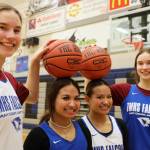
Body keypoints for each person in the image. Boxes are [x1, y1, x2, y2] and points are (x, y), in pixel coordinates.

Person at [0, 3, 48, 150]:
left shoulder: (8, 79)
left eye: (17, 30)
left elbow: (31, 96)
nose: (11, 35)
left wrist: (34, 62)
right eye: (2, 27)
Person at [24, 78, 92, 150]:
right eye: (66, 98)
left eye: (76, 98)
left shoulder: (84, 130)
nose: (72, 104)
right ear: (53, 101)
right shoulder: (37, 136)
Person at [110, 48, 150, 150]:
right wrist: (88, 73)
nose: (144, 67)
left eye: (149, 63)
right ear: (136, 67)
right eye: (140, 63)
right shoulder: (125, 90)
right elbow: (92, 95)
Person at [82, 79, 128, 150]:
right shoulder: (79, 127)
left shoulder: (120, 125)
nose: (106, 102)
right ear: (87, 99)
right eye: (100, 97)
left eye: (109, 97)